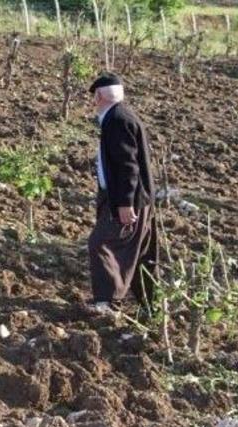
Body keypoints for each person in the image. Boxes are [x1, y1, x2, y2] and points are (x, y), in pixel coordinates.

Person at [86, 73, 158, 314]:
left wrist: (126, 204)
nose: (93, 102)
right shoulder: (120, 117)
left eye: (94, 97)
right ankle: (150, 304)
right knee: (139, 252)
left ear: (99, 96)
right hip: (129, 198)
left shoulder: (116, 120)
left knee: (100, 243)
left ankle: (107, 302)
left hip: (127, 200)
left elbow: (129, 166)